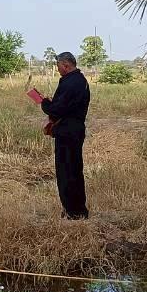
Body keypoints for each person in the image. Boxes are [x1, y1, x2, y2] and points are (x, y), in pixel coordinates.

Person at [41, 52, 91, 219]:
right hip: (76, 130)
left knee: (66, 172)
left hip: (67, 132)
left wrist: (45, 104)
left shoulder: (70, 83)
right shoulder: (81, 81)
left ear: (65, 65)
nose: (58, 69)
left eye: (58, 66)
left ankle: (72, 211)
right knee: (75, 170)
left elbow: (57, 110)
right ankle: (79, 210)